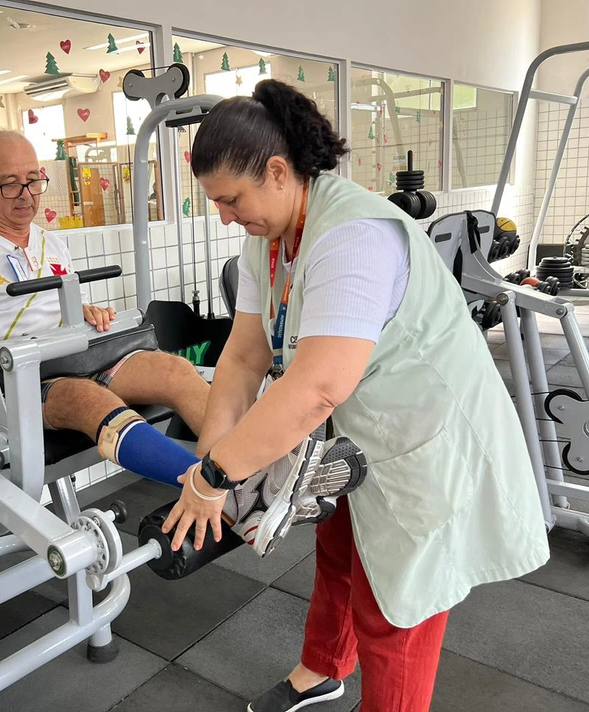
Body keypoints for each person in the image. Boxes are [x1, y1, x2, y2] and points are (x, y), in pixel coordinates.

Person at [161, 81, 549, 712]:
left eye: (230, 199)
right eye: (216, 204)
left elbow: (316, 388)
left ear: (279, 172)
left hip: (423, 430)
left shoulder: (353, 237)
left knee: (395, 603)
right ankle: (324, 669)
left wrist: (214, 479)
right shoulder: (268, 235)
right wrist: (215, 467)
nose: (225, 216)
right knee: (337, 543)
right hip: (357, 429)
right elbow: (244, 355)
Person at [0, 130, 356, 556]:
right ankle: (234, 496)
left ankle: (270, 468)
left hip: (74, 356)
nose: (27, 195)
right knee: (88, 398)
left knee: (174, 370)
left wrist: (84, 311)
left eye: (34, 181)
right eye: (10, 185)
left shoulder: (48, 244)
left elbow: (47, 306)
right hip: (7, 385)